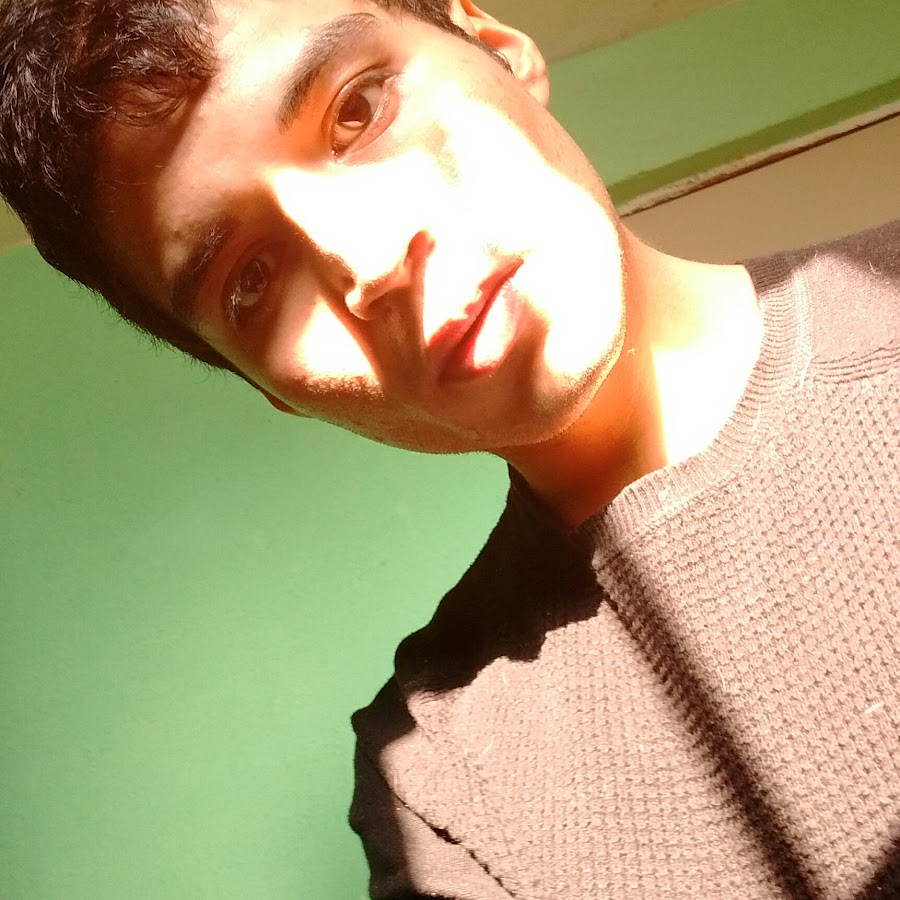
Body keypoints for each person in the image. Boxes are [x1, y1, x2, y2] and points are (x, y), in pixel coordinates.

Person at [1, 0, 898, 897]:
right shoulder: (440, 785)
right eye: (252, 282)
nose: (369, 261)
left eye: (358, 108)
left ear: (500, 48)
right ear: (267, 388)